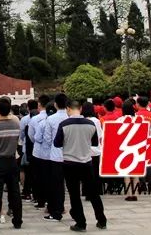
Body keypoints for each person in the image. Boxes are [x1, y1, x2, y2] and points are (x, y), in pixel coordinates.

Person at [54, 99, 107, 232]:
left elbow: (57, 143)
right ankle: (101, 220)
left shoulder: (63, 124)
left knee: (74, 195)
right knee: (94, 193)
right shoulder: (90, 124)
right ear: (81, 109)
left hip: (69, 163)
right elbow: (94, 143)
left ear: (68, 109)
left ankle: (81, 223)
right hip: (86, 163)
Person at [0, 98, 22, 230]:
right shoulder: (16, 123)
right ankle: (17, 221)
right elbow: (17, 140)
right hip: (12, 160)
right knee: (14, 191)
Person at [41, 93, 69, 221]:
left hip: (56, 155)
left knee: (56, 185)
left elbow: (47, 138)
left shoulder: (51, 119)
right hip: (71, 155)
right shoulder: (70, 117)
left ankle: (57, 210)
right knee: (71, 185)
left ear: (55, 105)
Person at [28, 94, 49, 210]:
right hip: (52, 153)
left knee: (38, 177)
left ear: (39, 104)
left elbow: (32, 136)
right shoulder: (52, 117)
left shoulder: (35, 119)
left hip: (38, 152)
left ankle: (40, 200)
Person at [81, 102, 103, 196]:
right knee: (95, 172)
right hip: (95, 150)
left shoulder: (82, 120)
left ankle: (86, 192)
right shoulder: (96, 121)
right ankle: (97, 191)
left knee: (85, 174)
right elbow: (100, 135)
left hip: (84, 150)